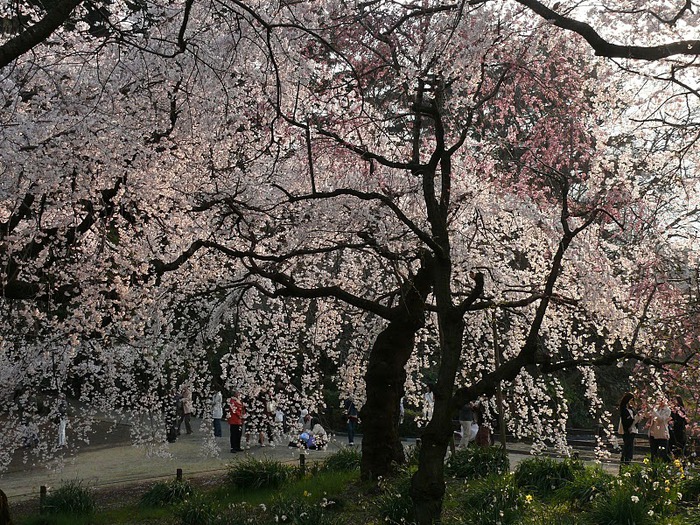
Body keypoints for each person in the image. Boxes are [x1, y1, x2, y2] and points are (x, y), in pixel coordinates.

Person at [618, 392, 642, 465]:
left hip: (633, 429)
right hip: (627, 429)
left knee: (630, 446)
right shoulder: (624, 409)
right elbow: (625, 420)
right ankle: (624, 461)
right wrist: (633, 420)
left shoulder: (631, 409)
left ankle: (628, 460)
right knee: (627, 446)